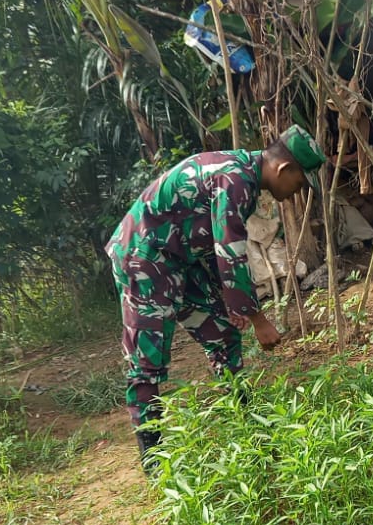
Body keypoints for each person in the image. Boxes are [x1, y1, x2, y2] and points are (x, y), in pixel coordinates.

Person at [108, 125, 327, 469]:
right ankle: (153, 460)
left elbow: (211, 244)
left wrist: (229, 301)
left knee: (223, 333)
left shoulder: (244, 176)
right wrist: (258, 319)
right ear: (284, 169)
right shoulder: (236, 179)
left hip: (182, 260)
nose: (295, 192)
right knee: (147, 361)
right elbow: (230, 253)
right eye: (298, 183)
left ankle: (247, 425)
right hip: (145, 257)